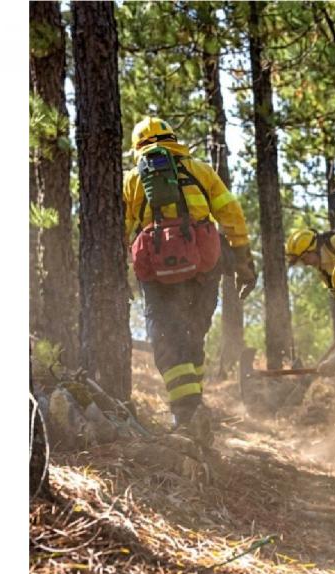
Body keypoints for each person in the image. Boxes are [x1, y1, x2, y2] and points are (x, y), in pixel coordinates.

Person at [123, 117, 257, 446]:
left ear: (138, 146)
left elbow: (122, 229)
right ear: (173, 139)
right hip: (204, 264)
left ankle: (186, 416)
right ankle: (195, 408)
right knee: (194, 334)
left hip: (156, 271)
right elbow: (231, 213)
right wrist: (243, 259)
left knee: (165, 340)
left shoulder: (132, 179)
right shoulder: (199, 170)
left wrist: (121, 274)